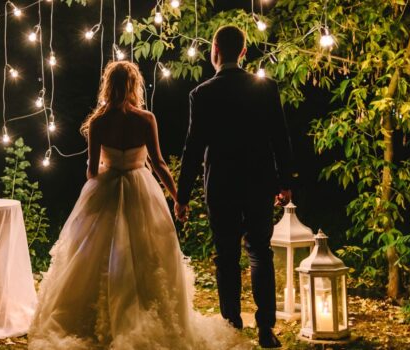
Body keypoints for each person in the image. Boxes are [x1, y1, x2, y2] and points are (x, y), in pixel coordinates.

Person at [28, 61, 249, 349]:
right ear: (135, 86)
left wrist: (107, 167)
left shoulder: (98, 122)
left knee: (96, 255)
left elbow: (92, 171)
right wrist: (177, 198)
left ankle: (98, 317)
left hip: (105, 190)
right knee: (149, 254)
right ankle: (144, 311)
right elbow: (158, 163)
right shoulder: (146, 119)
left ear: (108, 85)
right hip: (141, 188)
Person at [175, 25, 295, 349]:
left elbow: (193, 149)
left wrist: (181, 197)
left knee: (226, 257)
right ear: (243, 51)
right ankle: (266, 328)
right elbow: (280, 139)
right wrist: (285, 183)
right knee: (260, 252)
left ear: (215, 48)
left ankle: (231, 326)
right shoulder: (266, 88)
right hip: (259, 183)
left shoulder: (202, 94)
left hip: (222, 187)